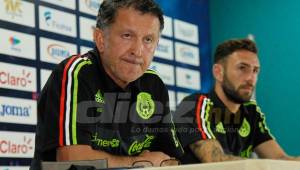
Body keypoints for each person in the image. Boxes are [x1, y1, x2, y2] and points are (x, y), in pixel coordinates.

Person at [30, 0, 184, 169]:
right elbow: (70, 159)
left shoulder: (154, 84)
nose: (138, 51)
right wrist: (139, 163)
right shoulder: (76, 72)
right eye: (127, 36)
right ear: (100, 39)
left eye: (148, 39)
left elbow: (171, 161)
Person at [175, 38, 300, 164]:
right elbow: (215, 161)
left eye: (255, 70)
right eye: (242, 68)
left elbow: (281, 160)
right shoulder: (195, 105)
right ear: (218, 72)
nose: (251, 78)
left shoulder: (251, 112)